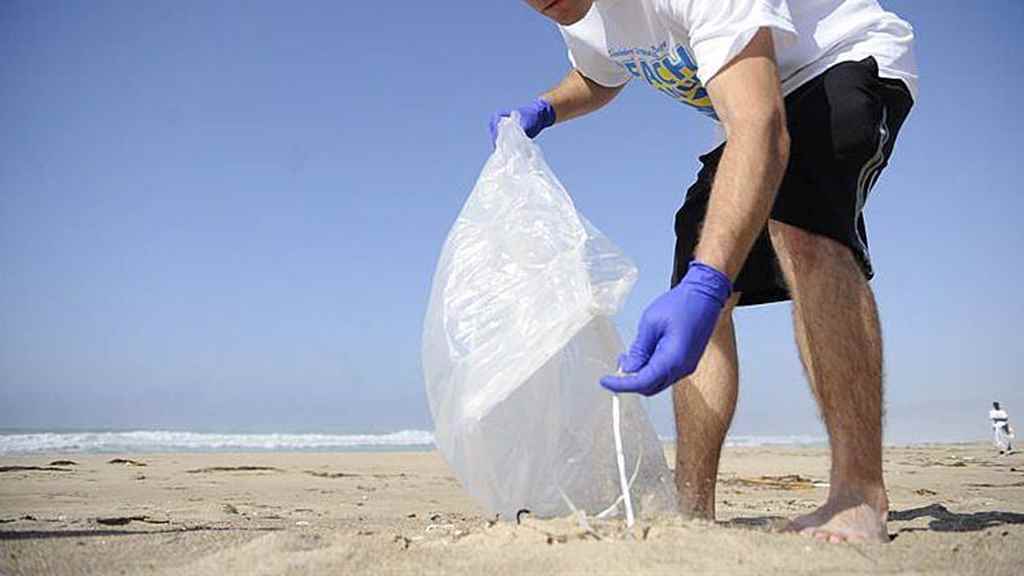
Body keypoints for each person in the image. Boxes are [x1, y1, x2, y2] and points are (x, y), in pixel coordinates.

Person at [492, 1, 917, 543]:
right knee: (699, 262)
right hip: (749, 106)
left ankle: (858, 492)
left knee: (802, 230)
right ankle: (692, 505)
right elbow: (598, 75)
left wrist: (709, 280)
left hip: (836, 62)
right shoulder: (579, 16)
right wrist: (545, 109)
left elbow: (761, 125)